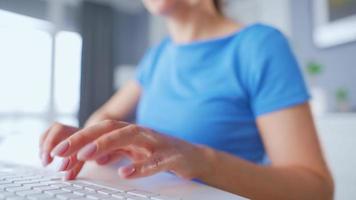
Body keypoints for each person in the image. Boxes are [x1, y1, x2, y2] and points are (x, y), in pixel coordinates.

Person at [39, 0, 334, 199]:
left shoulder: (260, 45)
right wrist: (91, 140)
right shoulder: (158, 56)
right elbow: (103, 117)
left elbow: (316, 188)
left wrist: (202, 161)